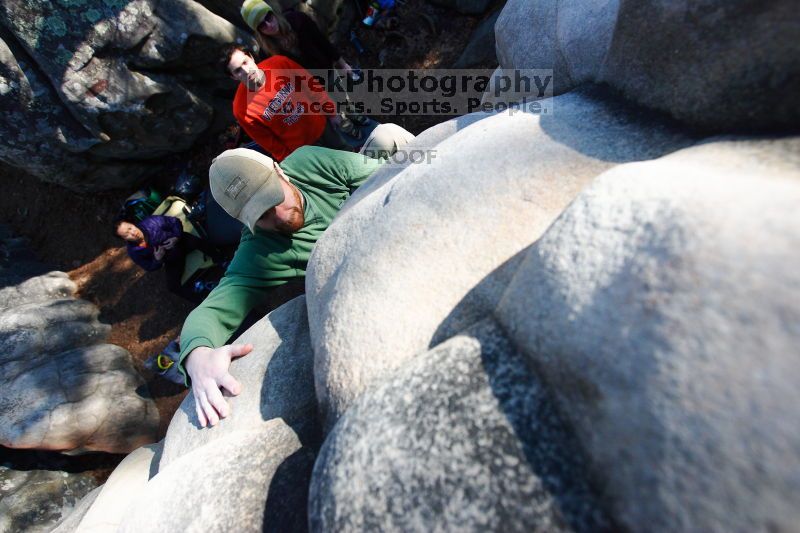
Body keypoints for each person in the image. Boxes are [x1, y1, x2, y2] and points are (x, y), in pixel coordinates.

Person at [176, 139, 411, 428]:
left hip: (391, 224)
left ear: (280, 171)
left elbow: (388, 177)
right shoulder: (260, 251)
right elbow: (213, 310)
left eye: (273, 197)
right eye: (261, 216)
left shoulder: (309, 163)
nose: (278, 216)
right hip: (368, 277)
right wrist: (197, 358)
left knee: (388, 136)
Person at [223, 44, 349, 161]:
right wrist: (291, 162)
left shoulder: (279, 64)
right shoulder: (241, 109)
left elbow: (311, 86)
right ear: (233, 77)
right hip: (304, 152)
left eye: (245, 62)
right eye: (238, 70)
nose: (246, 70)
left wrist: (331, 111)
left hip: (322, 125)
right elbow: (269, 142)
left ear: (251, 57)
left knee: (348, 155)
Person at [114, 215, 222, 302]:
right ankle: (200, 301)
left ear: (132, 224)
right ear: (124, 239)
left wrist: (176, 236)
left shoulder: (152, 222)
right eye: (127, 234)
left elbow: (175, 221)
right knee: (172, 287)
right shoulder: (133, 251)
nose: (132, 233)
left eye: (130, 228)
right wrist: (157, 259)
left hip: (180, 243)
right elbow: (148, 266)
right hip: (171, 259)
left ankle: (221, 259)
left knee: (196, 241)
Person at [240, 0, 354, 75]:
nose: (269, 25)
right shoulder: (266, 54)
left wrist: (342, 64)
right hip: (310, 91)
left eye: (268, 17)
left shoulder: (298, 20)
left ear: (273, 13)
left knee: (345, 102)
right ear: (259, 31)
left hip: (327, 71)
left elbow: (322, 41)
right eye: (262, 25)